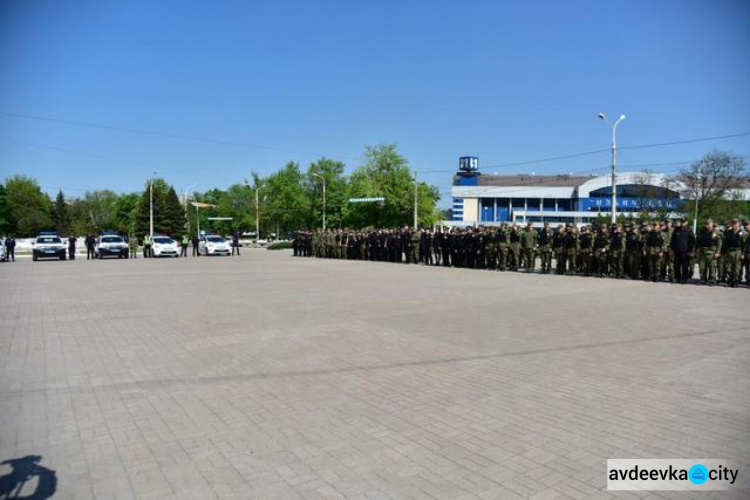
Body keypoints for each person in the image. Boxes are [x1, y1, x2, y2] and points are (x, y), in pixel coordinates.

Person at [695, 219, 722, 286]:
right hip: (702, 252)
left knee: (712, 267)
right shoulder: (702, 232)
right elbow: (698, 242)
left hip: (712, 252)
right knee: (702, 267)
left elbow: (719, 244)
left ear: (712, 224)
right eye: (706, 224)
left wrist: (717, 252)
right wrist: (696, 250)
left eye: (708, 224)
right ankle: (703, 279)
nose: (707, 225)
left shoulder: (716, 232)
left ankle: (712, 280)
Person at [722, 219, 747, 288]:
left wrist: (743, 254)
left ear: (739, 224)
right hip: (729, 251)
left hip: (738, 252)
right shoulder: (728, 232)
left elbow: (745, 245)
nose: (734, 225)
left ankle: (736, 281)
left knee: (737, 268)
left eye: (735, 223)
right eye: (733, 223)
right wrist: (723, 252)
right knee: (728, 268)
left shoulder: (743, 233)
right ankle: (729, 281)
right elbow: (725, 243)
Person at [670, 217, 694, 284]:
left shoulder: (689, 230)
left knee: (685, 266)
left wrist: (690, 251)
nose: (682, 223)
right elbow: (673, 240)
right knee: (676, 265)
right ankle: (677, 278)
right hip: (676, 250)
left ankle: (684, 279)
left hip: (685, 251)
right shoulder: (676, 229)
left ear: (686, 222)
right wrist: (671, 249)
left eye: (684, 222)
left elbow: (692, 241)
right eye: (681, 221)